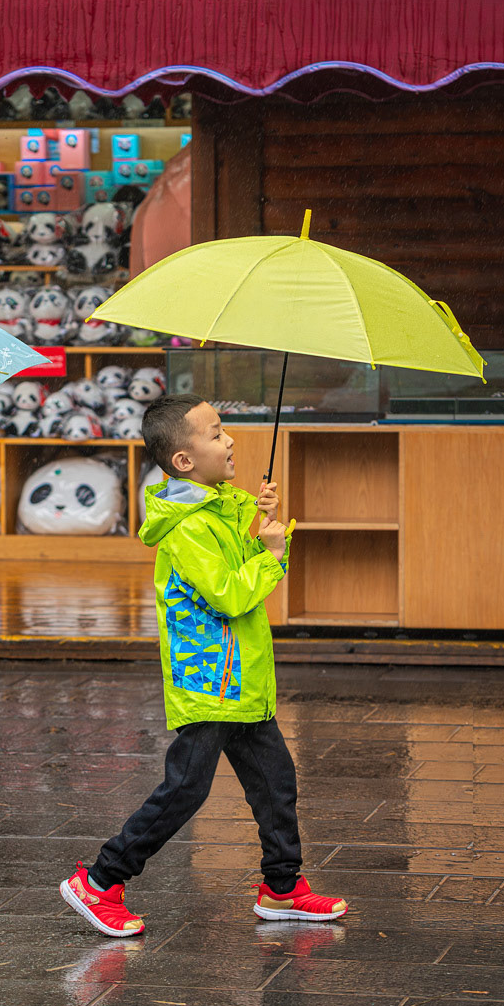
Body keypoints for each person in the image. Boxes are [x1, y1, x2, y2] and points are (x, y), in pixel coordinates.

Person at [60, 394, 347, 935]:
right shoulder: (188, 528)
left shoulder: (212, 508)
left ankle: (281, 888)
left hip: (241, 681)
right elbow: (231, 595)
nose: (230, 439)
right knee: (186, 788)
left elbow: (231, 549)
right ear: (184, 461)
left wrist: (254, 515)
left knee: (275, 780)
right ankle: (100, 880)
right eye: (216, 433)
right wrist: (272, 554)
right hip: (212, 681)